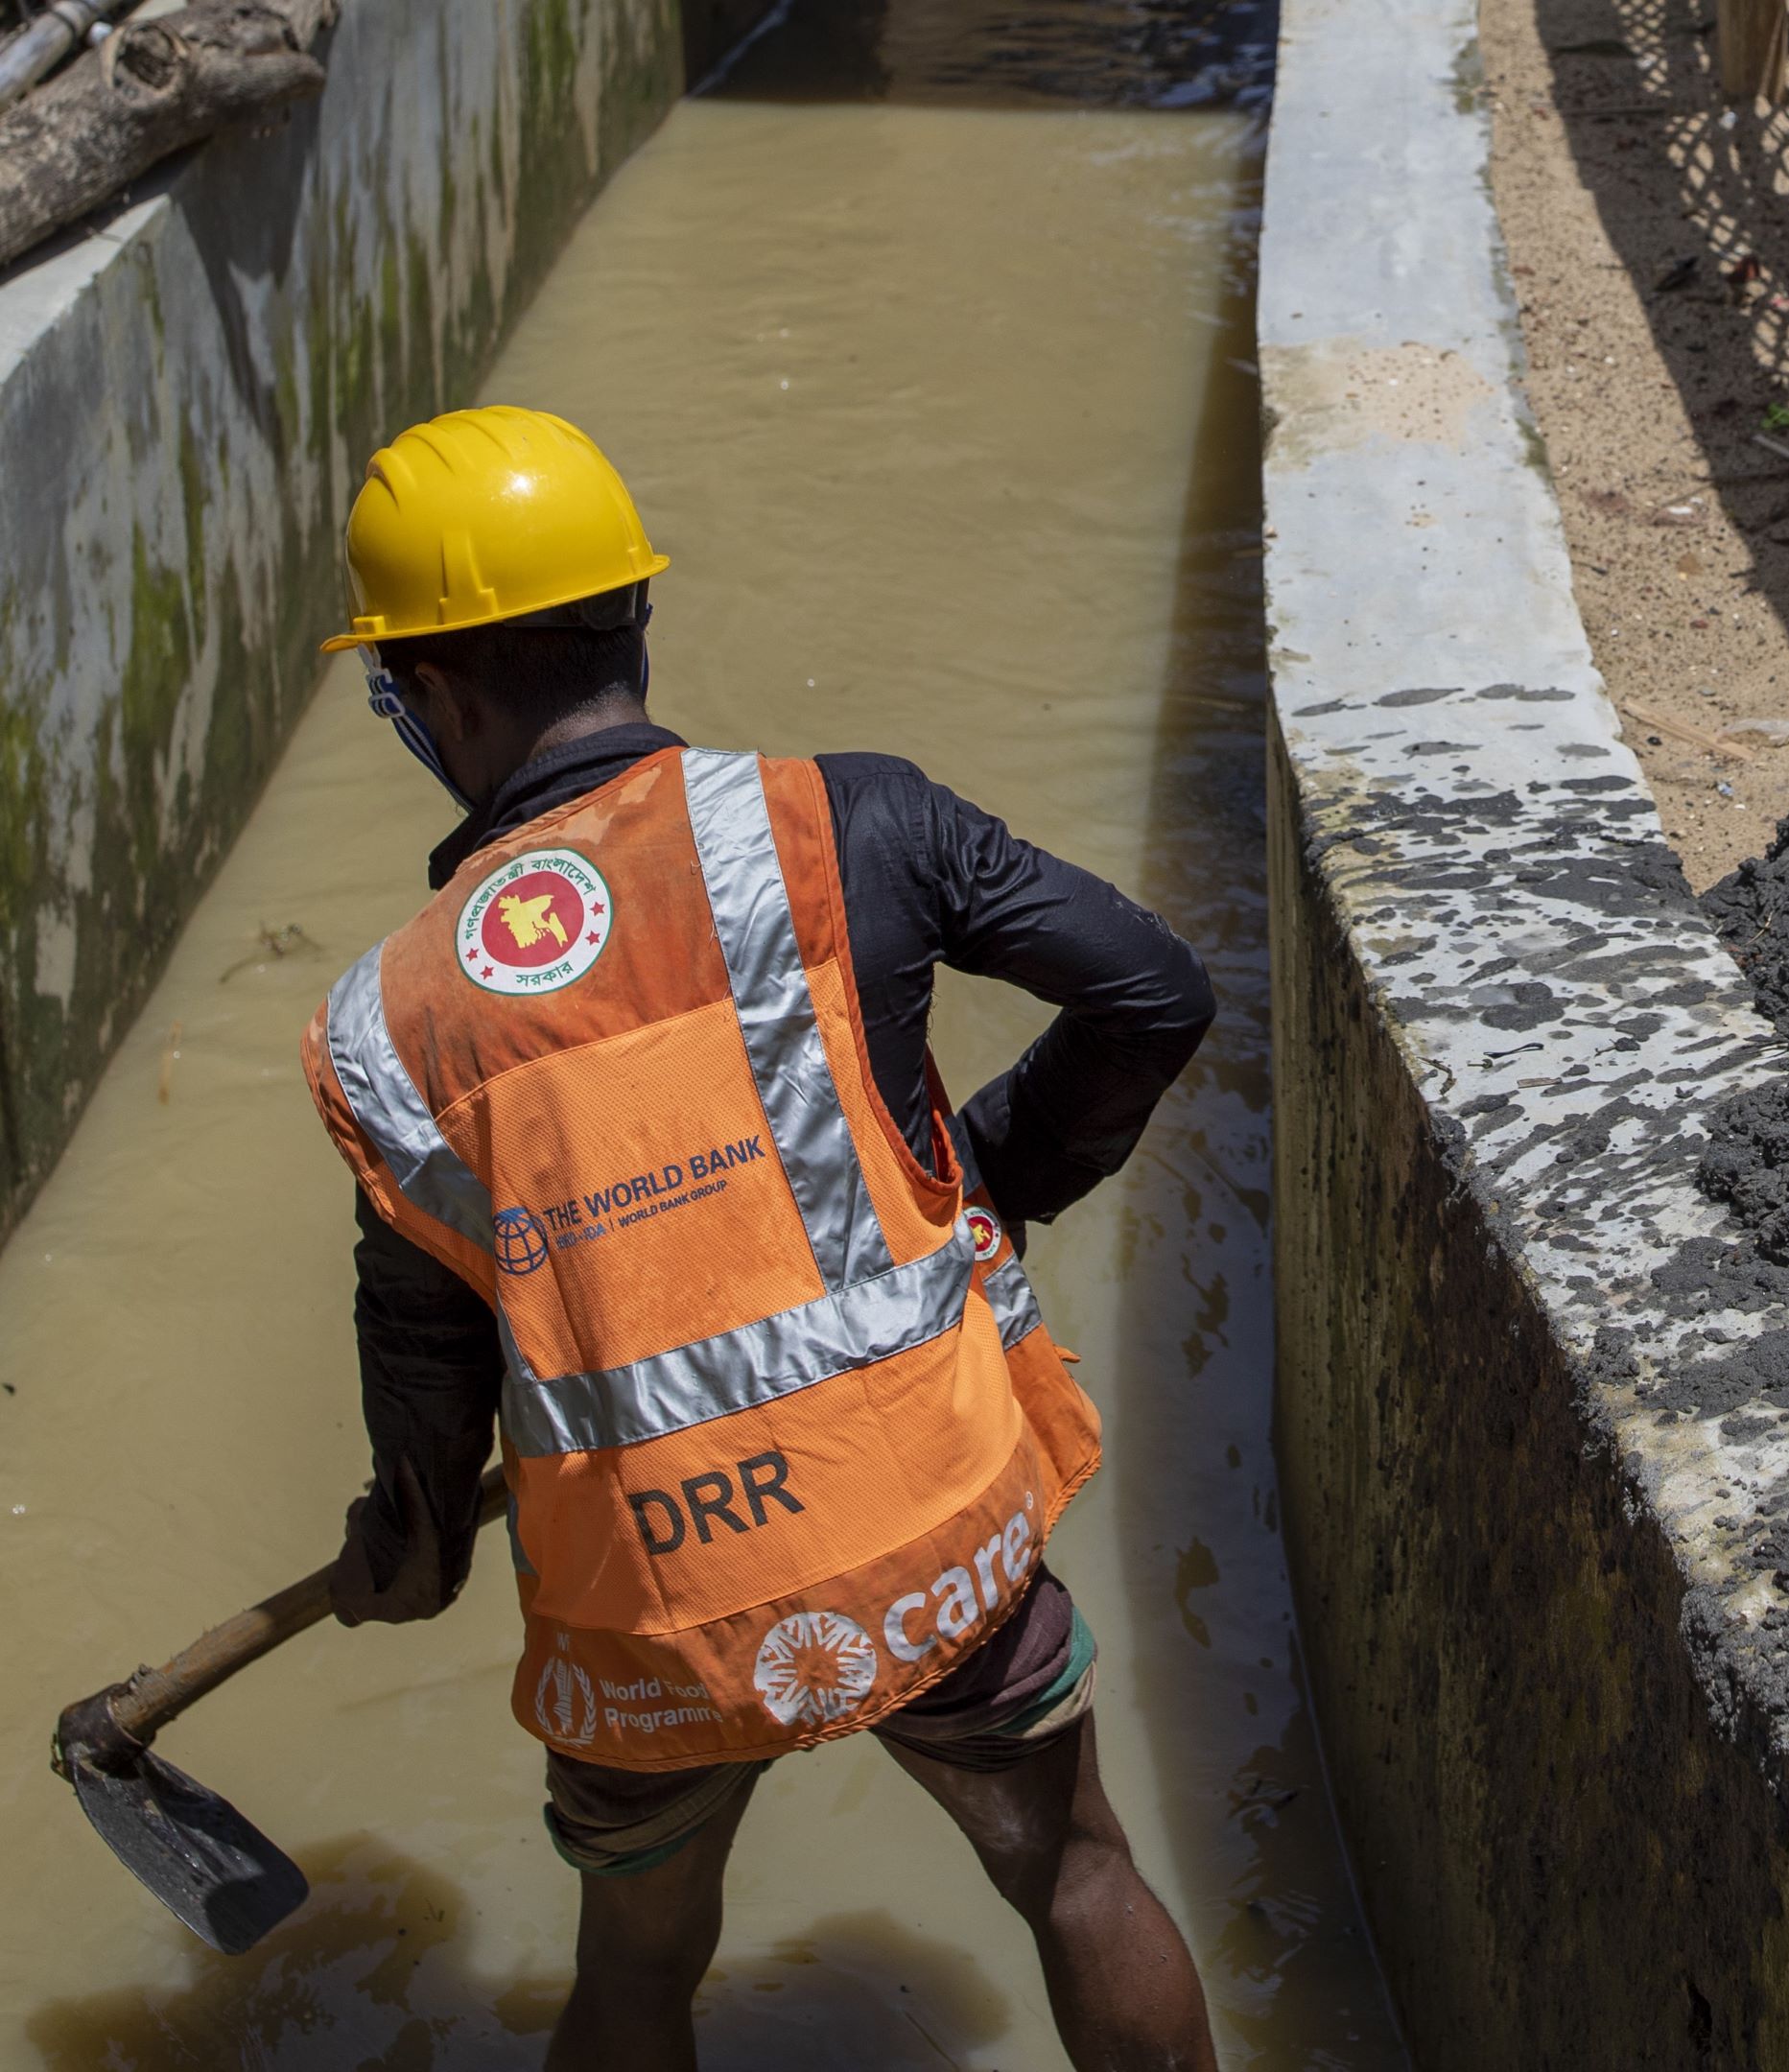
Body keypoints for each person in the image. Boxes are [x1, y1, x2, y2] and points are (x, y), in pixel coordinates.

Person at [298, 405, 1220, 2072]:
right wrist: (984, 1182)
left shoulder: (386, 1023)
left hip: (651, 1601)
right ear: (635, 622)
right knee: (1074, 1875)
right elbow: (1153, 992)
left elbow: (424, 1342)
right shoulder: (848, 820)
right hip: (920, 1541)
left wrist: (413, 1545)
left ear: (428, 693)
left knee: (640, 1969)